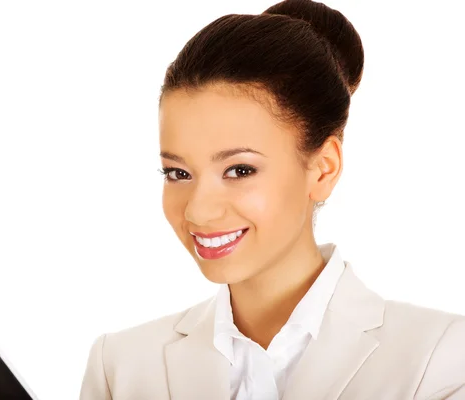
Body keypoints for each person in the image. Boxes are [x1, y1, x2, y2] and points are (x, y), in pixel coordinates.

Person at [79, 0, 465, 399]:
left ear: (322, 169)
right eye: (178, 173)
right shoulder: (120, 367)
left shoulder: (440, 358)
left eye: (239, 170)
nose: (198, 210)